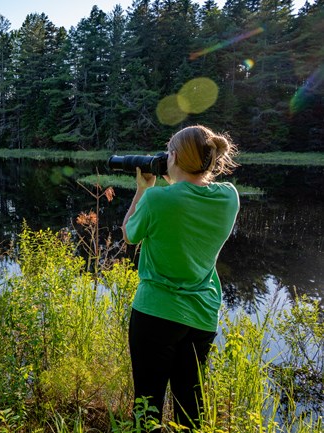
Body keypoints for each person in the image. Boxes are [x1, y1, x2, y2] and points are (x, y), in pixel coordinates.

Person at [121, 124, 240, 430]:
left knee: (147, 404)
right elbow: (194, 194)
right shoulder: (229, 198)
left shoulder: (157, 199)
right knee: (191, 406)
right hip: (201, 317)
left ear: (172, 156)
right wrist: (174, 179)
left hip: (156, 313)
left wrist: (143, 188)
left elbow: (130, 234)